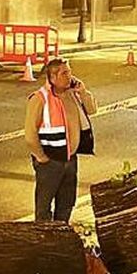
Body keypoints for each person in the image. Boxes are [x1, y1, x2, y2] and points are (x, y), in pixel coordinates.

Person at [24, 58, 97, 222]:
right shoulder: (40, 99)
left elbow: (92, 110)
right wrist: (41, 158)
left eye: (70, 71)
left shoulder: (73, 94)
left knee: (66, 203)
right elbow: (30, 135)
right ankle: (45, 240)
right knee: (44, 206)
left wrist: (83, 92)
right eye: (65, 73)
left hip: (70, 159)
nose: (70, 76)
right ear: (53, 78)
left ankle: (62, 235)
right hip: (50, 162)